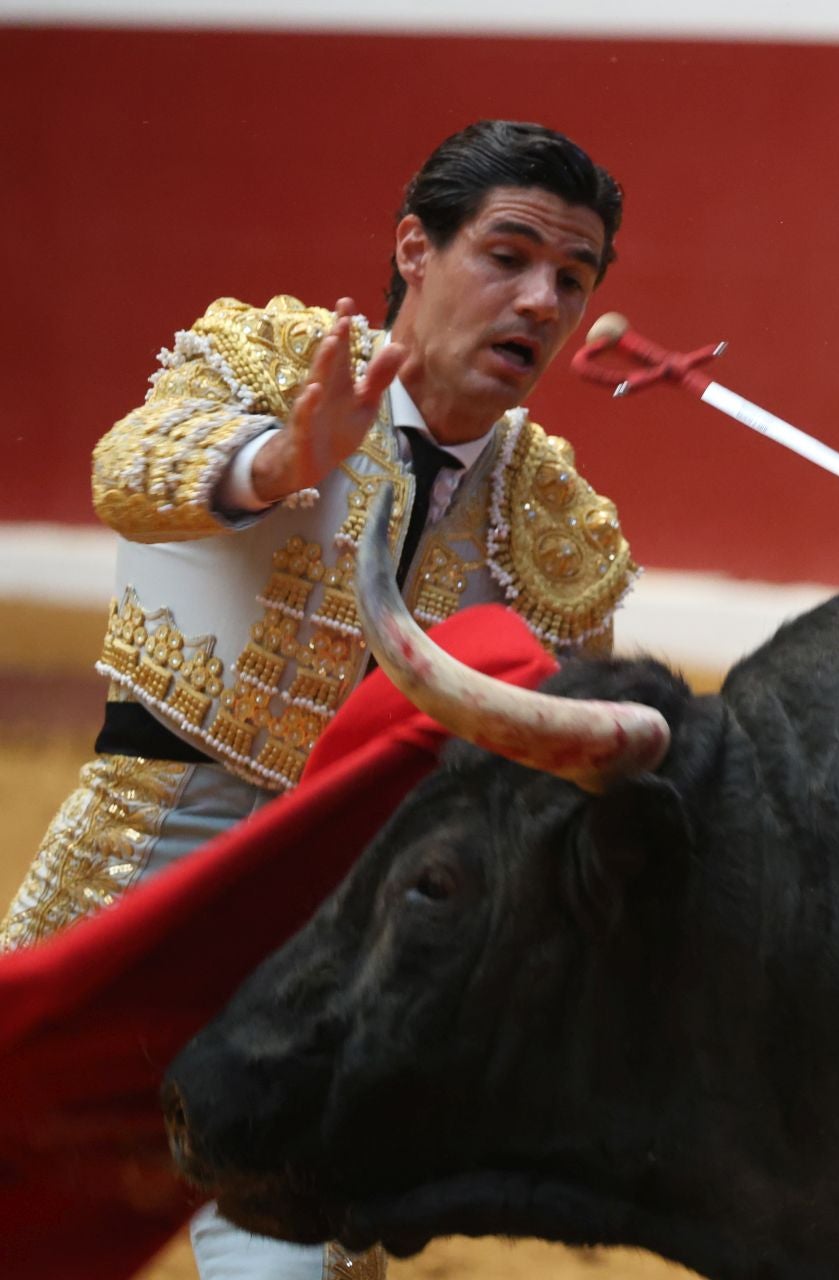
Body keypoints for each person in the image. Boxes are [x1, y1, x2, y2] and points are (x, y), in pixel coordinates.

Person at [2, 119, 636, 1279]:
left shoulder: (562, 523)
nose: (543, 300)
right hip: (155, 853)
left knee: (299, 1263)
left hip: (348, 921)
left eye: (574, 277)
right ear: (415, 249)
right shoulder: (268, 357)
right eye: (509, 255)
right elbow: (128, 472)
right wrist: (285, 464)